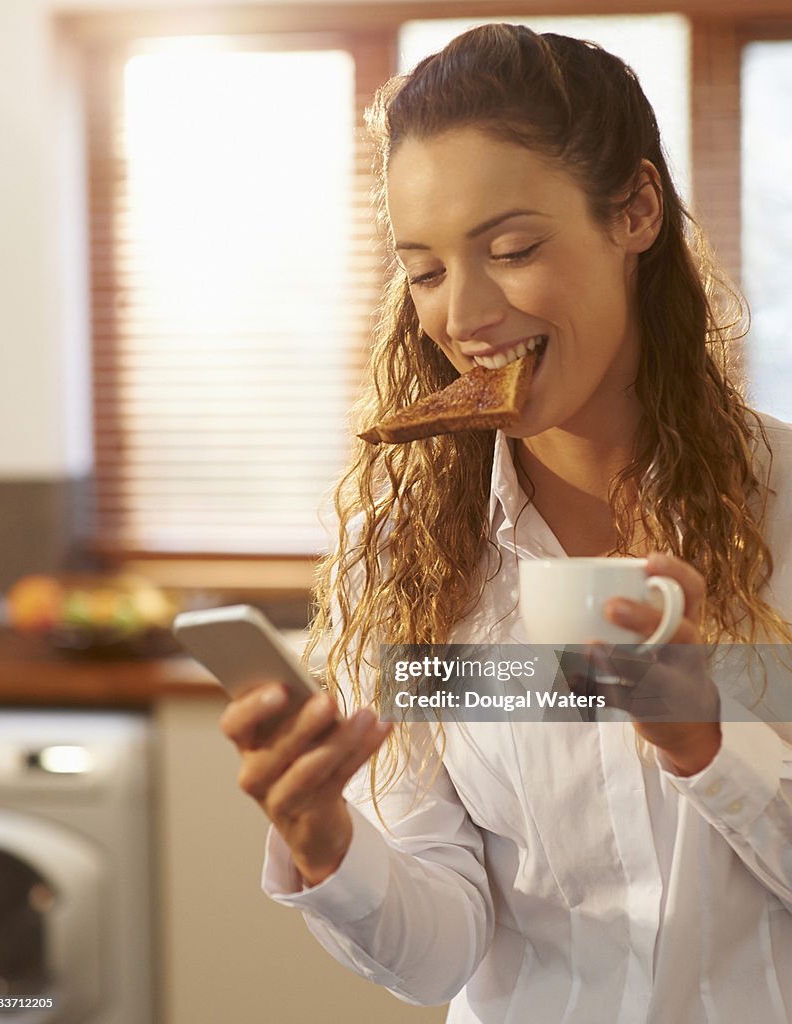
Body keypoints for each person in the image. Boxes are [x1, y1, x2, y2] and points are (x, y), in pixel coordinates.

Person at [219, 24, 792, 1023]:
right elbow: (440, 950)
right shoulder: (402, 556)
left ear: (636, 211)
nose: (465, 314)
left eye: (513, 249)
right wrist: (327, 845)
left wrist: (706, 742)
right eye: (426, 271)